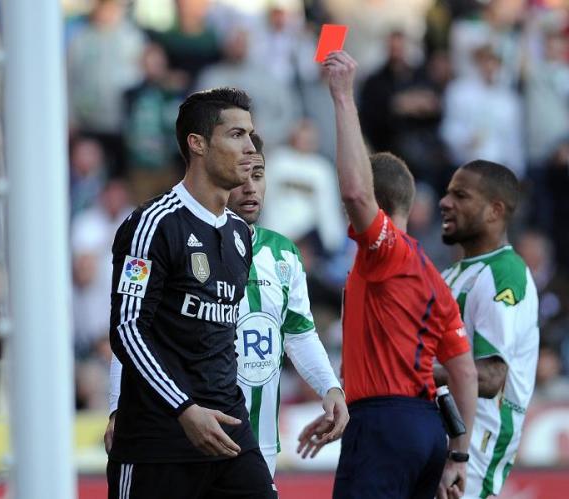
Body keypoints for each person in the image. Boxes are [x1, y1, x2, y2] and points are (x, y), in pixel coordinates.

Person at [106, 133, 349, 477]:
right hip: (182, 436)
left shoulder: (284, 254)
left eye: (259, 175)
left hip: (255, 443)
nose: (250, 187)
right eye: (242, 175)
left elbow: (299, 333)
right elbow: (133, 331)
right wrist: (118, 407)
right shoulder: (168, 233)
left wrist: (330, 387)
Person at [297, 51, 478, 499]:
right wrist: (458, 454)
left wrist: (342, 96)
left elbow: (357, 190)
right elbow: (465, 373)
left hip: (385, 426)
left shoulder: (386, 251)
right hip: (424, 429)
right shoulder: (432, 275)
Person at [106, 87, 277, 499]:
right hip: (158, 442)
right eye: (236, 135)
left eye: (251, 136)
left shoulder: (240, 235)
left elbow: (219, 336)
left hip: (229, 434)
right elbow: (128, 329)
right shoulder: (152, 225)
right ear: (197, 144)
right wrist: (183, 408)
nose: (250, 148)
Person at [437, 160, 540, 498]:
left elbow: (491, 376)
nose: (445, 202)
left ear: (495, 211)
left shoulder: (503, 274)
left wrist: (407, 370)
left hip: (475, 448)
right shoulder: (452, 274)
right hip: (442, 440)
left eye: (461, 195)